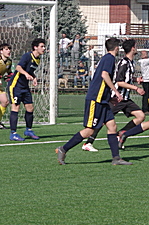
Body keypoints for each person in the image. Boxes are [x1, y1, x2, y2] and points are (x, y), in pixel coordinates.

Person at [56, 38, 131, 166]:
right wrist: (116, 92)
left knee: (112, 126)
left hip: (103, 100)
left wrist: (109, 96)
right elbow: (104, 75)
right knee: (89, 131)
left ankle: (116, 158)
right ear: (116, 48)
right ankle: (63, 149)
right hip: (96, 99)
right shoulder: (109, 58)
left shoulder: (108, 58)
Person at [82, 39, 147, 152]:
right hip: (117, 98)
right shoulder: (123, 63)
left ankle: (120, 134)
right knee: (103, 120)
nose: (137, 48)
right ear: (132, 48)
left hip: (125, 98)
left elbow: (126, 78)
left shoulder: (131, 63)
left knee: (141, 116)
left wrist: (135, 79)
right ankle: (88, 142)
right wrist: (136, 88)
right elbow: (119, 81)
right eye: (136, 46)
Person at [7, 38, 45, 141]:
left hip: (25, 87)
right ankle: (13, 133)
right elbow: (18, 68)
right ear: (35, 47)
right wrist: (26, 74)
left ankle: (28, 130)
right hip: (15, 86)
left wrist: (34, 77)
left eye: (44, 46)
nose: (44, 48)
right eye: (42, 46)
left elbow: (30, 70)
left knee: (30, 108)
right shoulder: (27, 56)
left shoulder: (38, 59)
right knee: (15, 108)